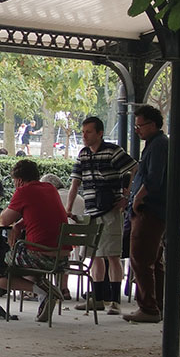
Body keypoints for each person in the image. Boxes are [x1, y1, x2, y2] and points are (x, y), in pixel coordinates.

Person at [65, 116, 136, 315]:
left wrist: (126, 196)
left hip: (110, 210)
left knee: (112, 255)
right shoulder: (83, 154)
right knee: (94, 255)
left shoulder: (113, 151)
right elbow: (75, 183)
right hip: (91, 211)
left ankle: (115, 301)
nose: (84, 136)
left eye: (88, 132)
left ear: (100, 133)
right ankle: (97, 299)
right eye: (83, 132)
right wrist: (68, 208)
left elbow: (134, 169)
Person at [0, 159, 68, 323]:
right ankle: (44, 300)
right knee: (25, 262)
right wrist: (19, 225)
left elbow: (4, 220)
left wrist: (11, 217)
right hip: (62, 258)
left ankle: (44, 291)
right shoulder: (50, 188)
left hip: (40, 256)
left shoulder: (24, 191)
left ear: (19, 180)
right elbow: (40, 213)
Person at [125, 104, 169, 323]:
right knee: (154, 260)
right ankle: (157, 304)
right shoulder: (156, 144)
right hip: (155, 209)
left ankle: (148, 307)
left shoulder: (158, 145)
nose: (137, 130)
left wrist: (138, 198)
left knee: (141, 258)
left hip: (149, 209)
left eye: (139, 126)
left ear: (152, 124)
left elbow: (153, 178)